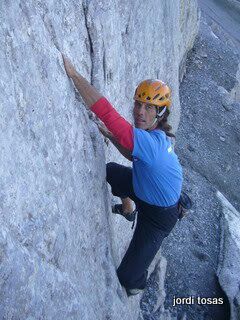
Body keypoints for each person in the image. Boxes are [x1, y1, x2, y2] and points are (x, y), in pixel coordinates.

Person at [62, 54, 183, 297]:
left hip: (158, 217)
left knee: (128, 279)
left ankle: (137, 283)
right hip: (145, 189)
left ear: (160, 113)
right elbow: (133, 155)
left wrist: (74, 75)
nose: (140, 111)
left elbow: (107, 113)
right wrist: (112, 138)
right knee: (113, 172)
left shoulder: (153, 144)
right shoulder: (153, 137)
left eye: (149, 107)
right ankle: (129, 209)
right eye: (138, 103)